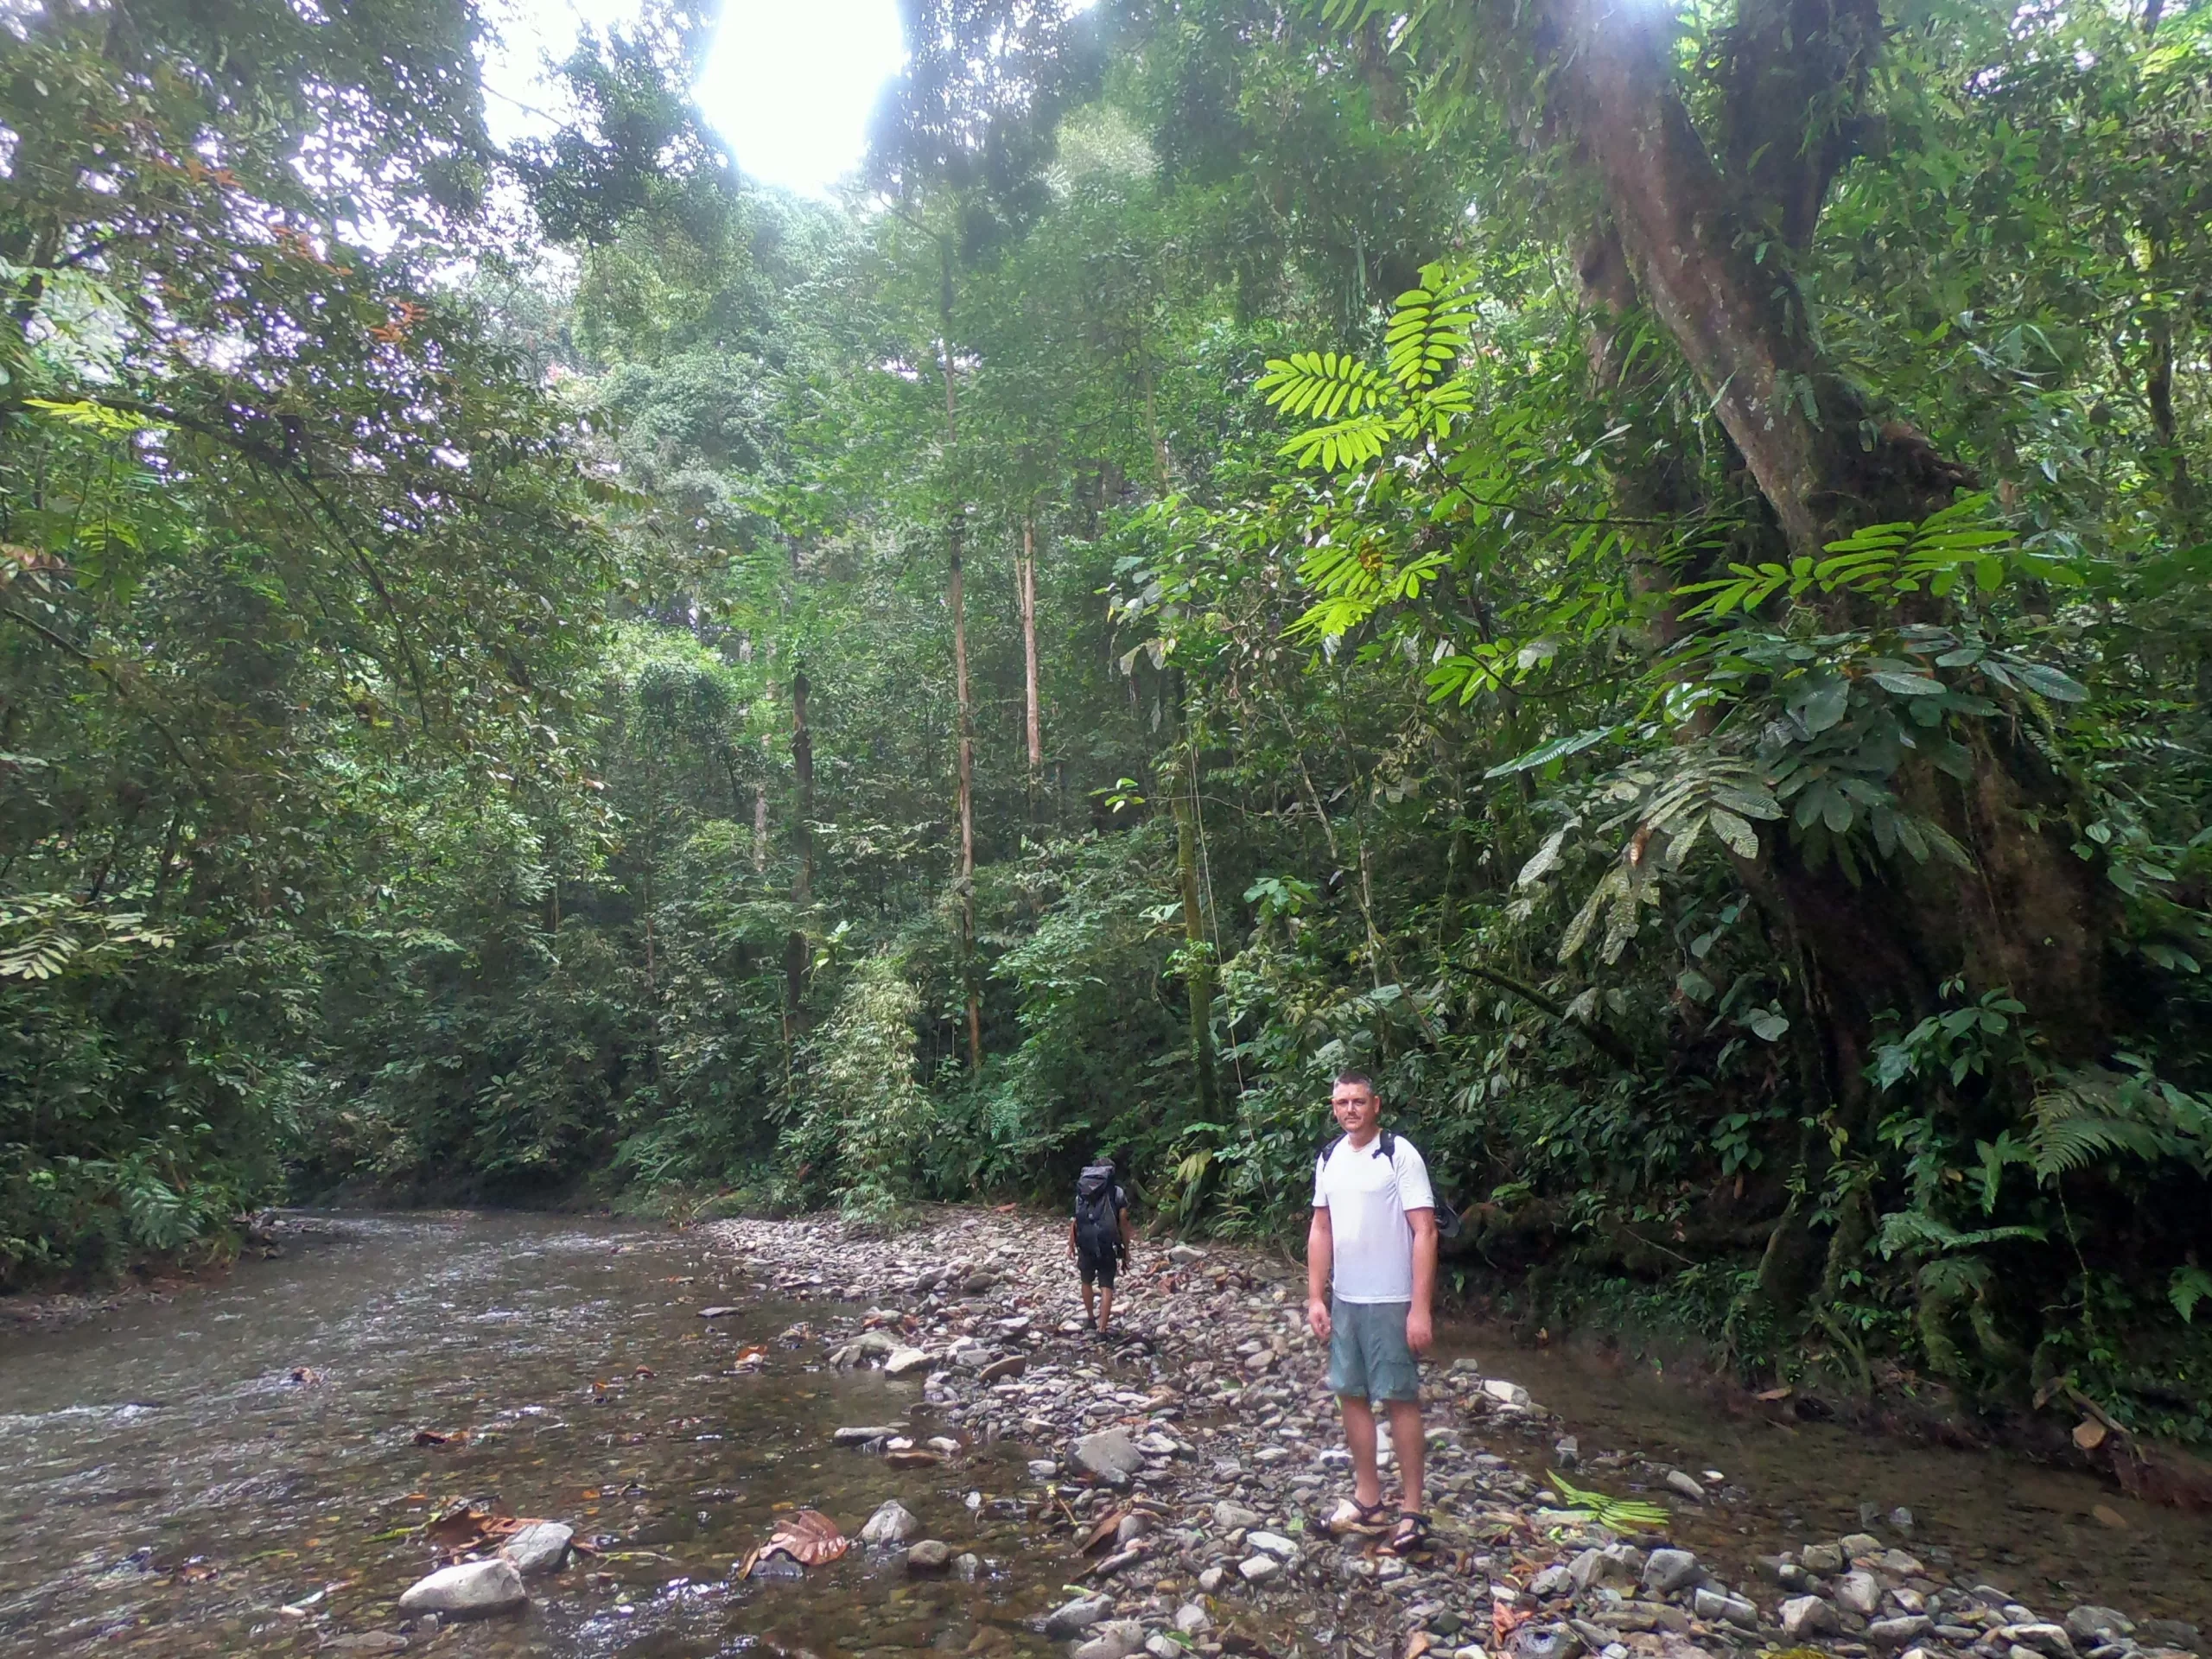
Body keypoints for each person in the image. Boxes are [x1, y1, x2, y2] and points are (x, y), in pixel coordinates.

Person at [1306, 1069, 1438, 1555]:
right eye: (1341, 1103)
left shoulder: (1399, 1154)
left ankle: (1413, 1510)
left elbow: (1425, 1231)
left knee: (1399, 1397)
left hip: (1391, 1299)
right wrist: (1316, 1296)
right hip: (1347, 1299)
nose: (1349, 1110)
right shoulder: (1329, 1158)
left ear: (1376, 1105)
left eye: (1358, 1101)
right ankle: (1368, 1500)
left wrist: (1419, 1309)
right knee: (1351, 1393)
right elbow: (1321, 1229)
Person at [1068, 1154, 1131, 1335]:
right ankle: (1102, 1330)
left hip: (1085, 1241)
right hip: (1106, 1242)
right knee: (1106, 1284)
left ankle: (1090, 1320)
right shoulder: (1117, 1192)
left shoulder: (1082, 1189)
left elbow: (1076, 1219)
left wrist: (1071, 1244)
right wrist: (1126, 1249)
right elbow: (1123, 1221)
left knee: (1086, 1281)